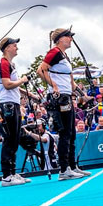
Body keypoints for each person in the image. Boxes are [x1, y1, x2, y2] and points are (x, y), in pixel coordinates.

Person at [37, 28, 91, 180]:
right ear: (60, 39)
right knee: (65, 133)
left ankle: (72, 166)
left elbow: (72, 83)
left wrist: (84, 97)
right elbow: (40, 70)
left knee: (71, 133)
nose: (71, 39)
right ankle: (63, 169)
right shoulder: (54, 52)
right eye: (68, 36)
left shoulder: (64, 55)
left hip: (67, 96)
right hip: (59, 98)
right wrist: (54, 86)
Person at [0, 37, 33, 187]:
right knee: (10, 139)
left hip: (13, 103)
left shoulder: (10, 64)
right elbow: (7, 84)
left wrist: (28, 94)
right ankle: (7, 175)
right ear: (6, 48)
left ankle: (12, 172)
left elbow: (13, 84)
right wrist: (23, 80)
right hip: (7, 104)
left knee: (14, 139)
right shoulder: (3, 63)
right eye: (13, 44)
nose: (16, 46)